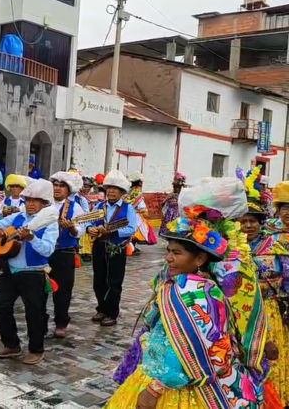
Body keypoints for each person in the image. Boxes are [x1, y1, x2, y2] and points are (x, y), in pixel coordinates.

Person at [105, 178, 267, 409]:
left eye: (176, 253)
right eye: (168, 251)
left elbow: (209, 345)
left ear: (200, 258)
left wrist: (155, 389)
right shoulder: (176, 280)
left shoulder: (203, 294)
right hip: (159, 368)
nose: (168, 258)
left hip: (180, 383)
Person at [0, 179, 59, 365]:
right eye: (27, 200)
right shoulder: (17, 216)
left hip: (33, 272)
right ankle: (11, 344)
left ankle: (36, 349)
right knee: (0, 302)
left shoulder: (49, 222)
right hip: (11, 270)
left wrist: (32, 238)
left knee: (34, 312)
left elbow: (48, 250)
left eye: (35, 201)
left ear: (45, 204)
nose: (30, 204)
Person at [237, 173, 289, 407]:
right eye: (243, 220)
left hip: (269, 312)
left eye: (253, 221)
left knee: (271, 359)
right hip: (239, 313)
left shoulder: (275, 248)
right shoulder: (228, 249)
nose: (248, 225)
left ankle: (272, 400)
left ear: (260, 223)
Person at [85, 170, 138, 327]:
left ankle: (112, 312)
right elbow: (88, 222)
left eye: (115, 188)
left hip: (116, 247)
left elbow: (131, 229)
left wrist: (111, 230)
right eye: (109, 188)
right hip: (100, 246)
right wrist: (90, 229)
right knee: (99, 279)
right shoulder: (99, 206)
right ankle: (101, 308)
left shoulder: (128, 209)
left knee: (114, 280)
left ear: (122, 192)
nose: (111, 191)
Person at [46, 171, 86, 338]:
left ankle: (61, 322)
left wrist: (71, 228)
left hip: (64, 253)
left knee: (63, 290)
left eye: (61, 186)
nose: (57, 188)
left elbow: (81, 230)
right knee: (39, 288)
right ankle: (40, 320)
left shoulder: (75, 207)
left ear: (69, 190)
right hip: (44, 252)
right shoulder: (44, 203)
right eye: (55, 185)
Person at [125, 172, 157, 253]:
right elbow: (141, 206)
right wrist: (144, 210)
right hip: (136, 214)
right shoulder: (138, 193)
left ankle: (130, 246)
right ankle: (131, 247)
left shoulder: (129, 191)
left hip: (128, 213)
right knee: (136, 231)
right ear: (139, 182)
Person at [159, 172, 186, 236]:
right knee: (168, 229)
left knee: (177, 230)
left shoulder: (183, 196)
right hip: (169, 215)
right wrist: (163, 215)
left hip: (179, 215)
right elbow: (163, 204)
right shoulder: (170, 195)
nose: (177, 189)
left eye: (178, 187)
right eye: (175, 187)